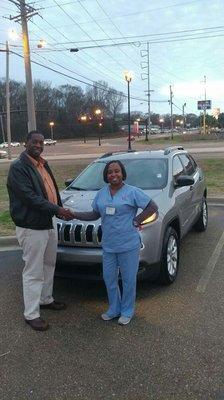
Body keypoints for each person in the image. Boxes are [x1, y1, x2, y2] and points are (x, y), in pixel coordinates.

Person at [73, 160, 158, 325]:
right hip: (109, 246)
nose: (113, 174)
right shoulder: (101, 194)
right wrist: (74, 214)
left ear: (122, 173)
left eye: (117, 171)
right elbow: (94, 214)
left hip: (128, 245)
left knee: (128, 280)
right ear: (106, 175)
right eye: (110, 172)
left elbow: (152, 207)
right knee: (109, 279)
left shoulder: (132, 192)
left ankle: (127, 311)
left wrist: (137, 220)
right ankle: (114, 309)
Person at [7, 130, 74, 332]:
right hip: (31, 226)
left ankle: (46, 299)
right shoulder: (18, 168)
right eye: (34, 142)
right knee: (33, 271)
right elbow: (30, 198)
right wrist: (58, 209)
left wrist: (59, 210)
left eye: (41, 142)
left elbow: (51, 190)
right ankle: (32, 314)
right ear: (25, 143)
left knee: (48, 264)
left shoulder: (43, 164)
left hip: (48, 222)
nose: (38, 145)